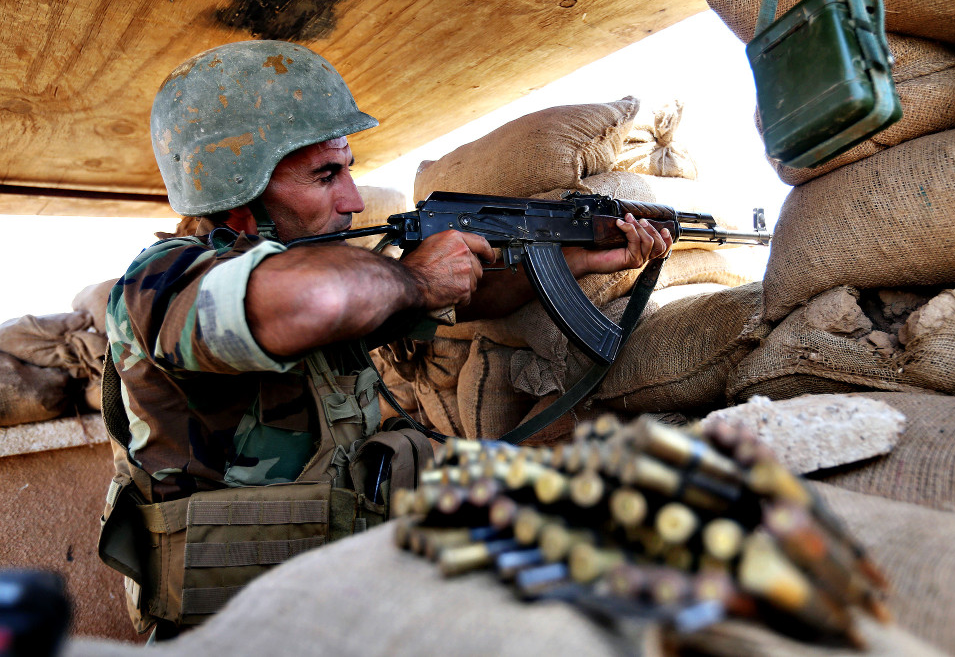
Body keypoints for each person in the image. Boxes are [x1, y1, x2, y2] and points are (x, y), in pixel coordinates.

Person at [97, 39, 670, 637]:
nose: (352, 199)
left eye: (348, 167)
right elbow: (321, 298)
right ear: (237, 201)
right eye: (325, 176)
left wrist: (575, 259)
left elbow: (465, 296)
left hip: (349, 594)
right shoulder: (161, 283)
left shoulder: (326, 269)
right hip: (242, 628)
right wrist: (417, 276)